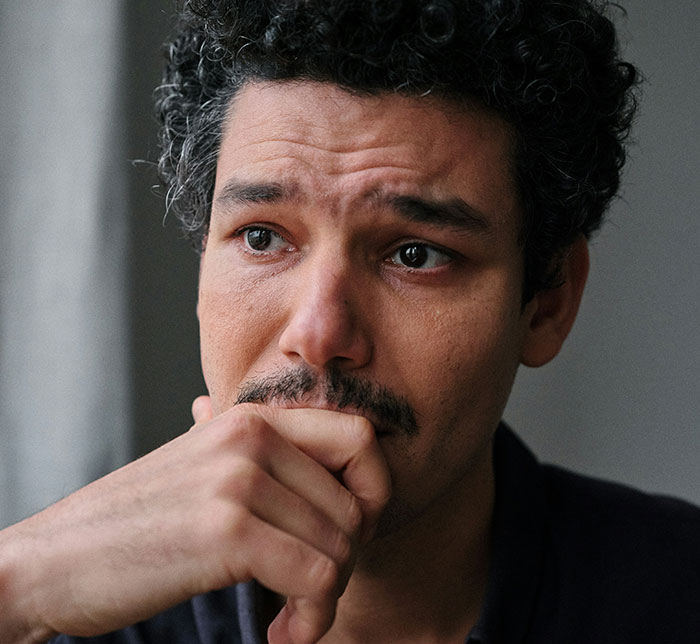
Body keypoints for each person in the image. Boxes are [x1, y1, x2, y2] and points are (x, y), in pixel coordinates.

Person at [1, 0, 699, 642]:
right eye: (262, 237)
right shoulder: (61, 612)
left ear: (546, 303)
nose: (319, 333)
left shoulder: (675, 596)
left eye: (416, 254)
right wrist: (20, 583)